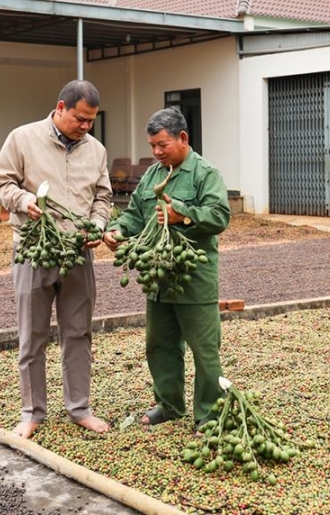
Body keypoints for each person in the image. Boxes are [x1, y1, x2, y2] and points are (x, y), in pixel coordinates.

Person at [0, 80, 112, 438]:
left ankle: (80, 408)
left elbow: (102, 197)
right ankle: (32, 413)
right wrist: (23, 201)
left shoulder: (96, 150)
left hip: (77, 253)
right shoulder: (22, 138)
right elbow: (0, 184)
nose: (86, 127)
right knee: (33, 335)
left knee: (79, 333)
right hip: (34, 250)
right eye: (80, 119)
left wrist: (97, 224)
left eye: (91, 121)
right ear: (60, 108)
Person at [104, 108, 230, 430]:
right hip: (158, 277)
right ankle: (169, 404)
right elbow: (134, 215)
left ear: (182, 138)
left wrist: (183, 214)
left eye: (162, 145)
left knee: (204, 351)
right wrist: (120, 232)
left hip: (193, 278)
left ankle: (209, 414)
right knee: (159, 345)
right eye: (152, 146)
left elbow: (219, 217)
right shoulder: (151, 175)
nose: (157, 152)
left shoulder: (205, 174)